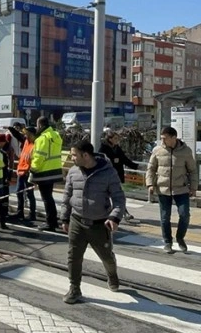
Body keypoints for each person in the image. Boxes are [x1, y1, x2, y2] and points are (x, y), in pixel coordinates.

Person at [61, 140, 125, 304]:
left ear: (86, 155)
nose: (72, 157)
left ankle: (112, 275)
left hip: (99, 224)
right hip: (77, 221)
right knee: (73, 256)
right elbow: (67, 196)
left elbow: (118, 198)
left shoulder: (108, 172)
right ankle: (74, 288)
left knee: (107, 257)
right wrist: (65, 218)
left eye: (74, 154)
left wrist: (114, 217)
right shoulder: (73, 172)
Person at [146, 126, 197, 254]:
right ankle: (167, 241)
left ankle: (180, 238)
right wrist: (150, 184)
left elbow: (193, 170)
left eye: (165, 138)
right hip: (163, 189)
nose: (162, 141)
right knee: (164, 217)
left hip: (181, 188)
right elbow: (151, 169)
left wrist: (193, 187)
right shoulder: (157, 150)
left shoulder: (186, 151)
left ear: (174, 137)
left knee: (184, 214)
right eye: (161, 138)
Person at [29, 116, 63, 231]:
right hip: (55, 170)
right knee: (49, 197)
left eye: (37, 125)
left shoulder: (42, 139)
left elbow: (38, 157)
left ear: (40, 125)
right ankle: (53, 221)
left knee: (46, 198)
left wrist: (33, 169)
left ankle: (50, 223)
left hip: (44, 172)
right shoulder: (56, 135)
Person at [99, 130, 139, 221]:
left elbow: (124, 159)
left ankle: (124, 213)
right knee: (105, 196)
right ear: (109, 139)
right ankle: (106, 213)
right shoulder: (103, 149)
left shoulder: (117, 148)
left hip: (117, 175)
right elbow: (102, 161)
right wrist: (114, 160)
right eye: (115, 138)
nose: (117, 140)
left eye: (118, 138)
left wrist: (136, 166)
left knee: (118, 195)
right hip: (107, 176)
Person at [11, 126, 38, 221]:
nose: (25, 135)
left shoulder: (36, 144)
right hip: (21, 171)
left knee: (30, 194)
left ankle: (32, 213)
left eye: (26, 134)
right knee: (19, 192)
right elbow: (19, 136)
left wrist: (30, 171)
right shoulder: (26, 142)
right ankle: (20, 212)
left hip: (27, 172)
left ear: (31, 134)